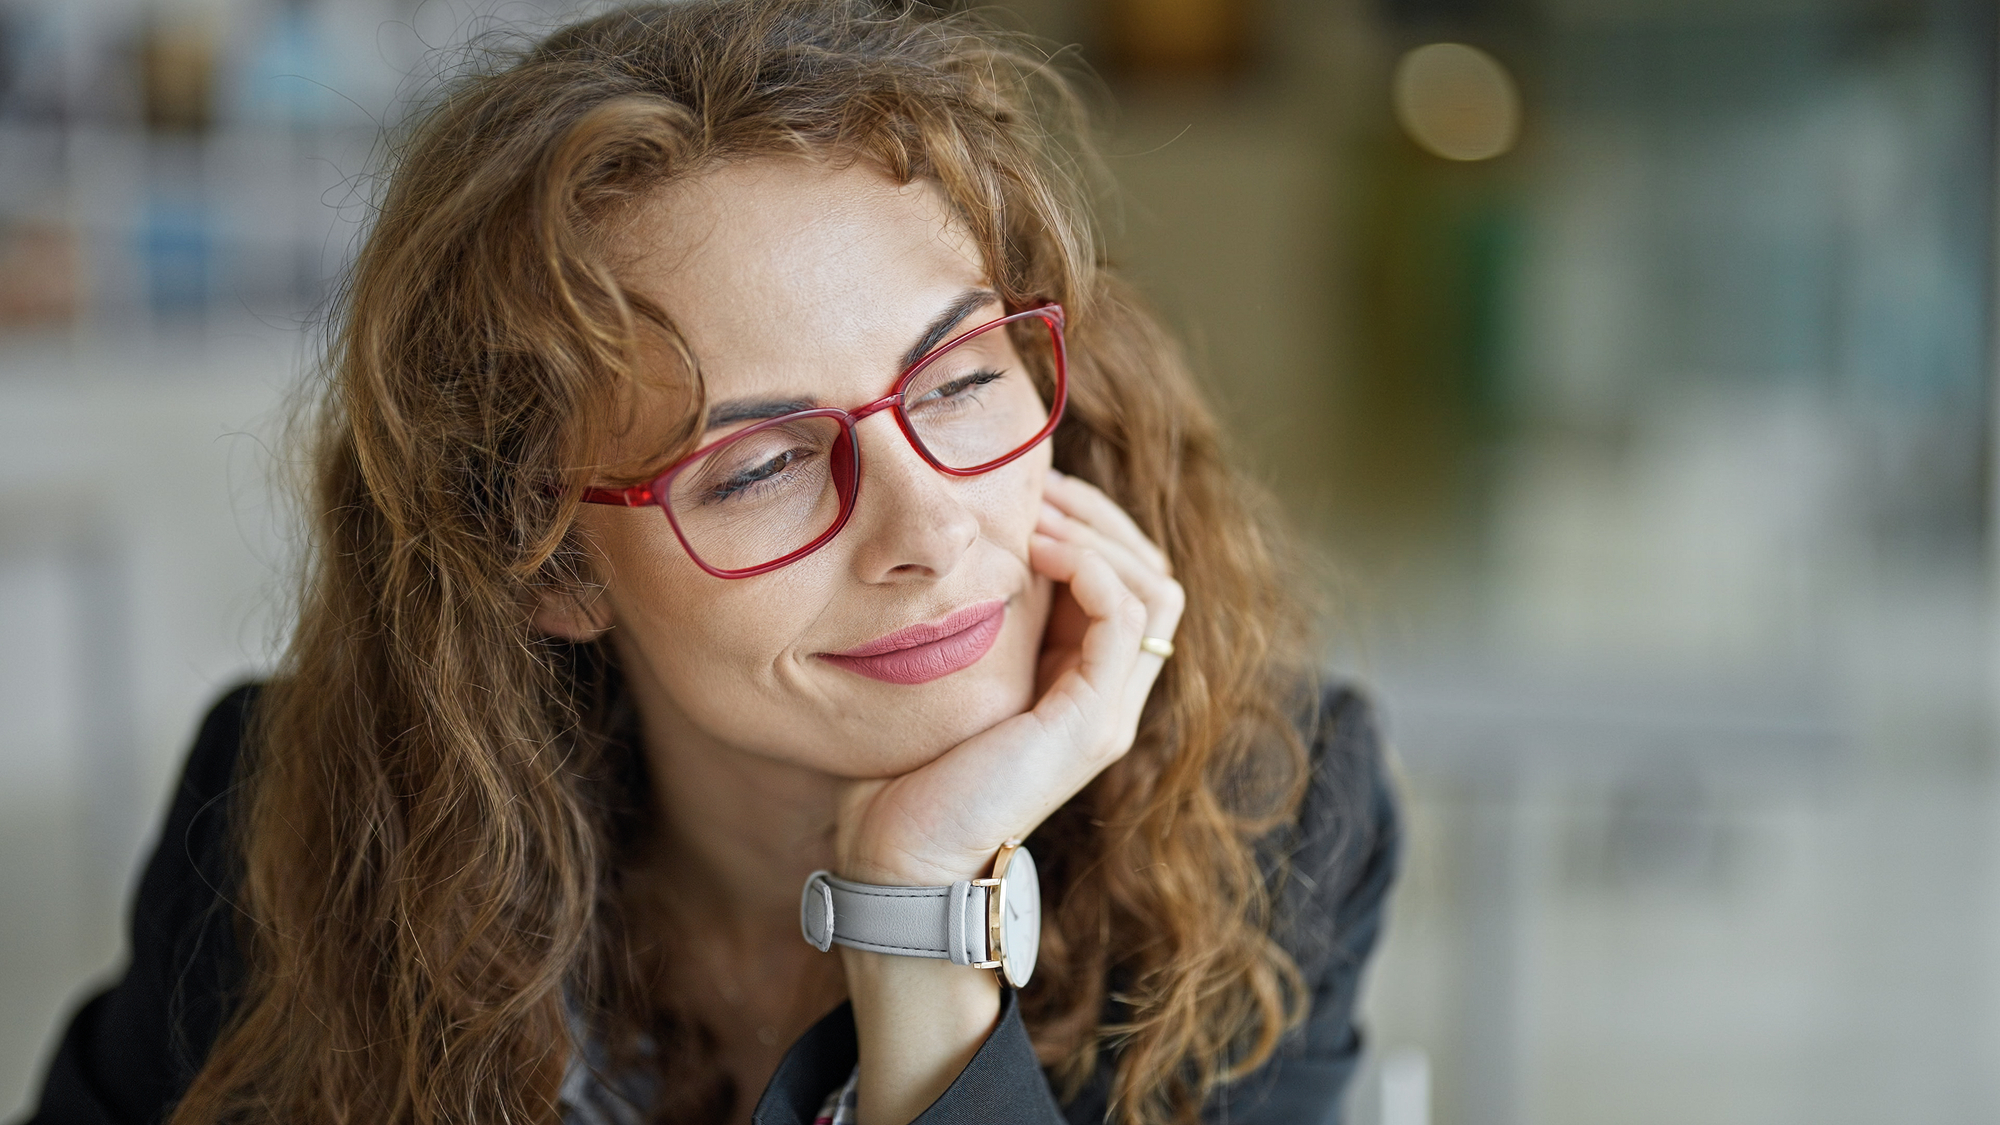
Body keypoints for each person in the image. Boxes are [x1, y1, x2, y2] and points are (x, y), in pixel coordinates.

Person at [23, 2, 1397, 1123]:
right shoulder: (297, 820)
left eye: (961, 380)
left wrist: (920, 913)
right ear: (548, 562)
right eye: (758, 467)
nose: (929, 527)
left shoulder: (1268, 822)